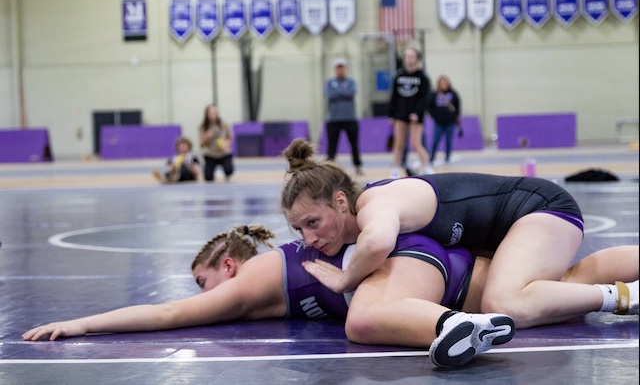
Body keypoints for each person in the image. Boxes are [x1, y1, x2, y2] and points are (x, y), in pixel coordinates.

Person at [22, 223, 638, 368]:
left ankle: (447, 327)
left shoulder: (260, 277)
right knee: (572, 279)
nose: (204, 295)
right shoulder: (269, 275)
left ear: (228, 266)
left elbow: (168, 315)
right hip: (430, 265)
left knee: (365, 323)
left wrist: (82, 324)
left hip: (416, 269)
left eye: (204, 280)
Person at [280, 138, 639, 366]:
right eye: (299, 230)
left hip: (538, 207)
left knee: (506, 303)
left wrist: (345, 278)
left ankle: (624, 297)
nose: (309, 238)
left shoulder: (375, 203)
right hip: (520, 217)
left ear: (341, 201)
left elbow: (377, 244)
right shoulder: (370, 208)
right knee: (565, 282)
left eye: (313, 222)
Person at [387, 46, 433, 179]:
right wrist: (392, 115)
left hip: (415, 116)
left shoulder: (422, 77)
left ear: (417, 58)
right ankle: (395, 169)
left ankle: (427, 166)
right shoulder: (399, 76)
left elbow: (425, 98)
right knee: (399, 143)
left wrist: (417, 113)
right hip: (400, 114)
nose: (409, 59)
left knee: (416, 143)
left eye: (412, 56)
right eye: (407, 56)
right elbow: (394, 96)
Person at [324, 58, 363, 176]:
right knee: (332, 145)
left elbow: (351, 93)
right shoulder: (329, 83)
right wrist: (342, 92)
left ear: (345, 69)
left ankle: (357, 166)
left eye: (342, 67)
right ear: (335, 69)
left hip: (350, 118)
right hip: (333, 119)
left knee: (354, 144)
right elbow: (330, 94)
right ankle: (329, 167)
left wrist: (339, 92)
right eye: (338, 67)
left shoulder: (351, 82)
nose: (340, 70)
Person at [428, 75, 462, 164]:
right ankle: (432, 157)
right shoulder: (434, 94)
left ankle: (447, 157)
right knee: (435, 140)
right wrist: (434, 115)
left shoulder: (453, 93)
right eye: (441, 83)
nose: (443, 84)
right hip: (439, 121)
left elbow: (457, 106)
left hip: (450, 122)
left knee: (448, 140)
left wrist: (455, 117)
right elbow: (429, 106)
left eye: (445, 82)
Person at [199, 104, 234, 182]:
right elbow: (201, 145)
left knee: (229, 171)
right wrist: (206, 136)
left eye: (215, 113)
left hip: (223, 153)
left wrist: (226, 144)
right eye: (211, 113)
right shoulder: (203, 127)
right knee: (208, 177)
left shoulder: (224, 125)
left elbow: (230, 137)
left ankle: (227, 171)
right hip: (211, 154)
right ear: (207, 114)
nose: (213, 115)